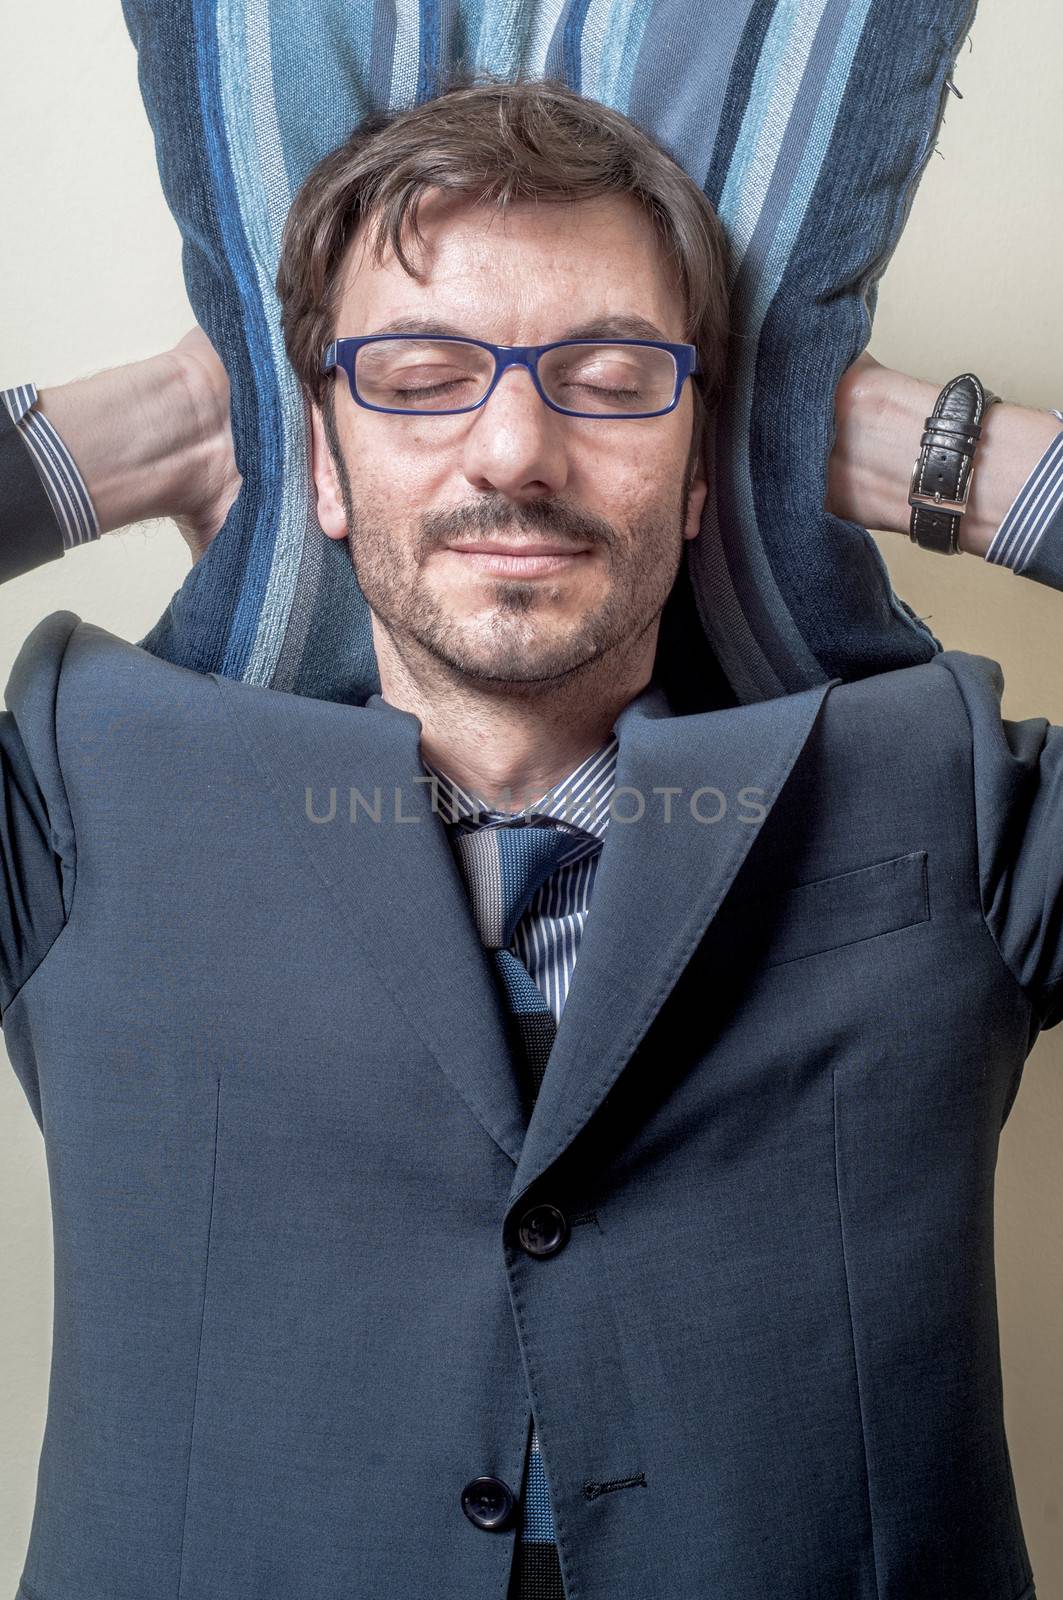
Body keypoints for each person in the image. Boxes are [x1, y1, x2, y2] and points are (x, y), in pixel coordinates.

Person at [2, 77, 1063, 1600]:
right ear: (319, 460)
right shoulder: (82, 781)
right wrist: (156, 426)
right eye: (419, 374)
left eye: (615, 375)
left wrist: (933, 457)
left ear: (706, 467)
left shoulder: (932, 784)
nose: (513, 451)